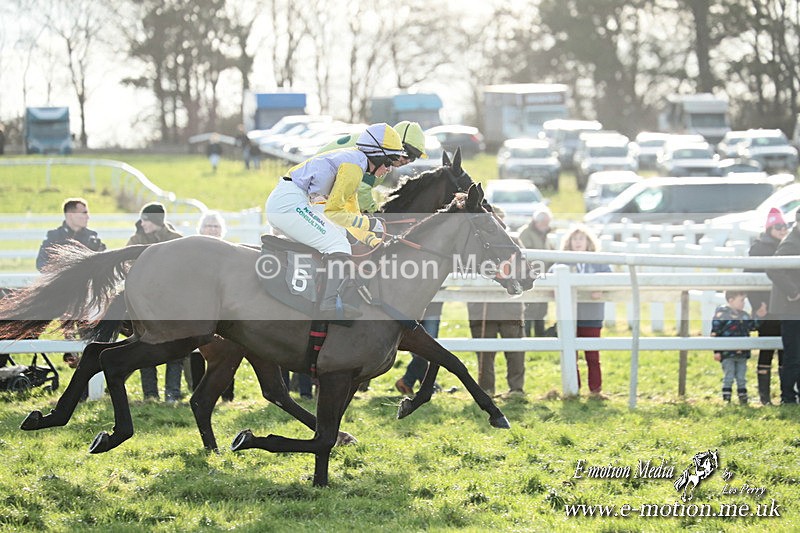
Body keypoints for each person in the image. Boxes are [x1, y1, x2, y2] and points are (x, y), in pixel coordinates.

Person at [266, 122, 405, 319]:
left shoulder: (355, 164)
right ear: (377, 155)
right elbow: (334, 213)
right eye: (390, 161)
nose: (390, 169)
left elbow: (346, 214)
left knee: (339, 236)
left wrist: (369, 239)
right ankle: (329, 303)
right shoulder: (353, 169)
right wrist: (370, 224)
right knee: (338, 243)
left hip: (292, 200)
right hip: (289, 204)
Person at [126, 202, 184, 402]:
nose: (142, 223)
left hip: (172, 305)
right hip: (146, 304)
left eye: (146, 220)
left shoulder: (176, 240)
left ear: (156, 222)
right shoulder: (136, 239)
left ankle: (173, 394)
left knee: (176, 349)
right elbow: (129, 268)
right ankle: (150, 395)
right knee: (146, 346)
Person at [552, 225, 612, 398]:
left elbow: (610, 278)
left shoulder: (598, 262)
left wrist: (600, 288)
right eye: (574, 239)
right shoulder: (562, 261)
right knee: (571, 355)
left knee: (592, 355)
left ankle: (595, 390)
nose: (578, 242)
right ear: (569, 242)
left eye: (581, 239)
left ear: (588, 242)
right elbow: (551, 276)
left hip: (592, 315)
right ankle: (573, 389)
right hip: (569, 316)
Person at [317, 121, 428, 213]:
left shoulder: (382, 152)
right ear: (399, 145)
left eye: (414, 158)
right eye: (408, 154)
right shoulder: (378, 153)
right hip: (316, 188)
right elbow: (361, 191)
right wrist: (376, 213)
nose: (408, 161)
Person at [185, 211, 235, 401]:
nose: (212, 229)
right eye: (209, 225)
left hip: (223, 307)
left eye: (216, 226)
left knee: (228, 350)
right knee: (197, 348)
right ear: (201, 228)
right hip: (198, 305)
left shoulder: (230, 250)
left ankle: (227, 395)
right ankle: (198, 391)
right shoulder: (193, 251)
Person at [745, 207, 789, 404]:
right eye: (778, 226)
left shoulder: (787, 246)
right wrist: (756, 304)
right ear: (770, 228)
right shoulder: (758, 249)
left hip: (784, 306)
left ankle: (785, 393)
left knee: (785, 351)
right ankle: (764, 396)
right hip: (766, 306)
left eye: (784, 226)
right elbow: (747, 278)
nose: (782, 229)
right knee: (766, 350)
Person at [766, 208, 800, 405]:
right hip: (791, 307)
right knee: (793, 355)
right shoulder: (791, 242)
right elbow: (773, 267)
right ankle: (787, 396)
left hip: (794, 307)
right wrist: (793, 291)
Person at [711, 290, 766, 404]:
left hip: (742, 353)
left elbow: (752, 326)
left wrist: (759, 317)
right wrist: (717, 351)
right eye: (741, 300)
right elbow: (715, 333)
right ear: (731, 301)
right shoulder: (722, 316)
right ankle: (727, 398)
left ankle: (743, 397)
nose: (743, 303)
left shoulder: (744, 316)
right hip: (727, 354)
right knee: (729, 375)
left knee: (741, 376)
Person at [36, 198, 106, 271]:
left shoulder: (92, 236)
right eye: (84, 213)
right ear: (70, 215)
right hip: (63, 281)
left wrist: (98, 253)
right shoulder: (54, 236)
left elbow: (102, 267)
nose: (88, 217)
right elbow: (41, 264)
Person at [518, 205, 555, 337]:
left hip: (543, 277)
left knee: (541, 309)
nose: (546, 225)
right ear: (536, 222)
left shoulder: (545, 236)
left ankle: (540, 336)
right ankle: (526, 336)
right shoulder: (525, 233)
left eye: (547, 223)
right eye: (543, 223)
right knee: (529, 308)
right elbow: (523, 254)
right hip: (529, 277)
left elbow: (550, 253)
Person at [394, 302, 443, 395]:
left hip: (429, 309)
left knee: (428, 349)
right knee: (428, 349)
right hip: (416, 310)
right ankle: (408, 381)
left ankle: (424, 385)